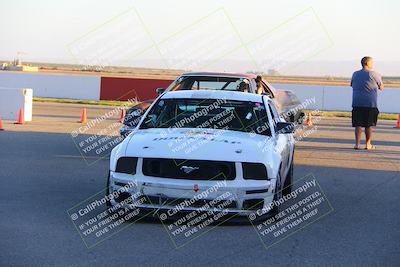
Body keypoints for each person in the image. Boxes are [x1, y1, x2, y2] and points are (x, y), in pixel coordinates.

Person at [350, 56, 384, 150]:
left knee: (358, 124)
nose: (373, 64)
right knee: (368, 125)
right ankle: (368, 144)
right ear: (367, 63)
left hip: (357, 102)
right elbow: (381, 87)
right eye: (372, 62)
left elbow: (351, 84)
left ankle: (357, 144)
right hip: (370, 104)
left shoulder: (355, 74)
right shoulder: (374, 74)